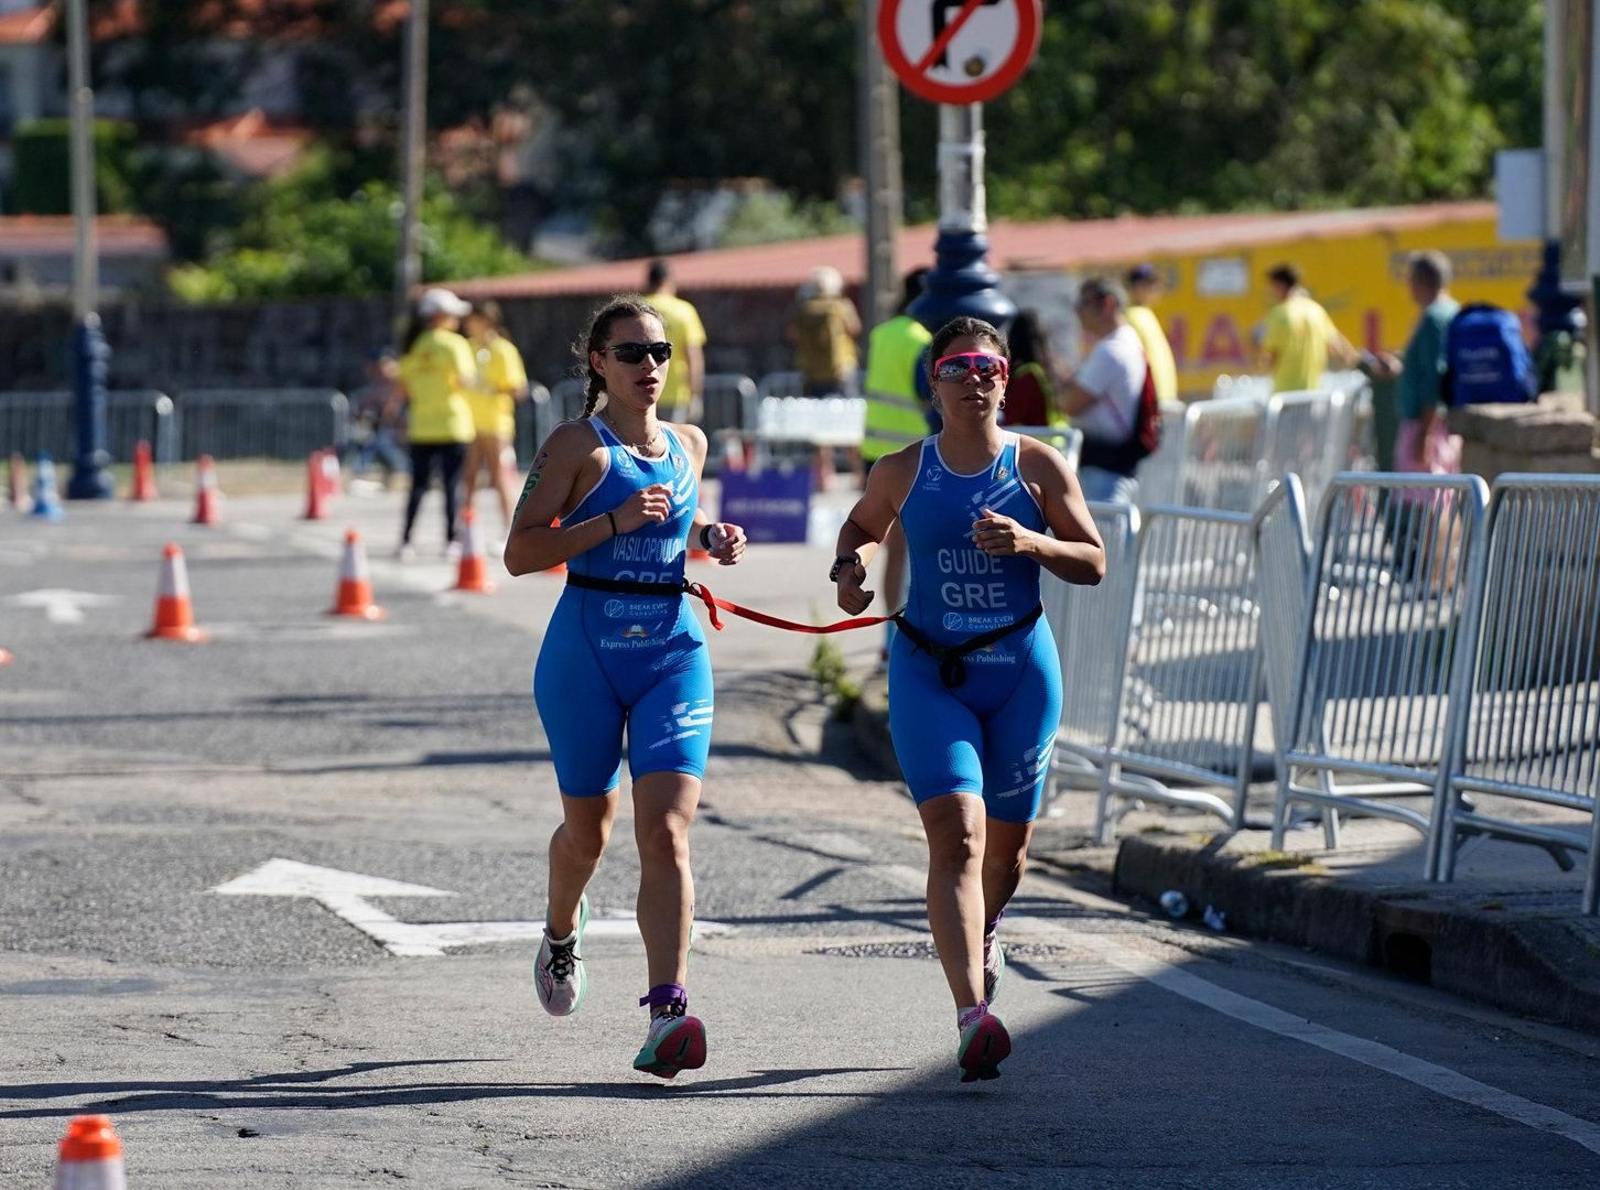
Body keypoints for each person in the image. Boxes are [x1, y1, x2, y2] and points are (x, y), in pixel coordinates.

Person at [831, 316, 1105, 1081]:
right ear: (935, 384)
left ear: (1005, 378)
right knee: (956, 837)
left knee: (1008, 855)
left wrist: (1032, 543)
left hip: (1020, 670)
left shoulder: (1038, 465)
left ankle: (985, 931)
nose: (975, 379)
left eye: (989, 367)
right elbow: (858, 531)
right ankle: (971, 1015)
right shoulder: (903, 468)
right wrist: (849, 571)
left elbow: (1093, 561)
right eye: (959, 367)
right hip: (930, 672)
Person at [503, 295, 747, 1080]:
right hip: (586, 651)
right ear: (598, 363)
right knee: (588, 833)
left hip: (672, 650)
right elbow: (518, 552)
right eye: (633, 352)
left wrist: (707, 535)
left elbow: (680, 513)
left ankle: (667, 1013)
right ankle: (561, 933)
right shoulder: (578, 444)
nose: (650, 367)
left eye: (660, 352)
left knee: (667, 831)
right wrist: (610, 525)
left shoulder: (690, 442)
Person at [393, 288, 478, 560]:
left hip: (421, 426)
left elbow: (404, 390)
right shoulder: (455, 344)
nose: (456, 319)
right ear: (441, 316)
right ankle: (450, 541)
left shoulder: (414, 347)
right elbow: (467, 379)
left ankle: (406, 541)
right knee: (452, 486)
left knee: (417, 485)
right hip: (453, 423)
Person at [1059, 278, 1148, 504]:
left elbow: (1071, 404)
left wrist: (1059, 387)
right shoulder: (1128, 341)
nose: (1078, 311)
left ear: (1107, 304)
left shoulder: (1110, 351)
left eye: (1083, 303)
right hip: (1115, 465)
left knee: (1101, 538)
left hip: (1102, 467)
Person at [462, 300, 530, 532]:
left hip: (496, 423)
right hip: (469, 422)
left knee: (499, 476)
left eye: (472, 320)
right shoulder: (467, 347)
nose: (468, 325)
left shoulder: (503, 349)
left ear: (486, 322)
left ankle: (509, 529)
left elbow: (518, 388)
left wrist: (491, 388)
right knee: (468, 477)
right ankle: (466, 528)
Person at [1258, 263, 1358, 393]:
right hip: (1313, 391)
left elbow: (1270, 357)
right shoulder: (1316, 310)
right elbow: (1336, 347)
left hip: (1285, 393)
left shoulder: (1279, 314)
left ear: (1279, 285)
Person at [642, 260, 708, 424]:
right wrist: (696, 394)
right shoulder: (684, 311)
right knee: (672, 444)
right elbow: (693, 356)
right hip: (675, 392)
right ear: (668, 280)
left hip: (640, 389)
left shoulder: (638, 308)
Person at [787, 266, 862, 396]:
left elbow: (792, 334)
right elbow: (855, 328)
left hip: (810, 370)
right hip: (841, 369)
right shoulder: (842, 306)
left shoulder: (803, 309)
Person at [349, 348, 410, 487]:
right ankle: (360, 472)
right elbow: (362, 410)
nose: (381, 369)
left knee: (384, 444)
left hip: (406, 430)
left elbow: (395, 409)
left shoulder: (403, 382)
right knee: (375, 443)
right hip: (387, 432)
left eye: (385, 364)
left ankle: (404, 471)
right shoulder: (375, 387)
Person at [1124, 264, 1180, 403]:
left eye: (1155, 284)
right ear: (1133, 287)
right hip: (1151, 398)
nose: (1154, 289)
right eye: (1147, 284)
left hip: (1164, 396)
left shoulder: (1145, 313)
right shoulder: (1131, 315)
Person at [1001, 310, 1060, 427]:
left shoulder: (1026, 375)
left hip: (1034, 438)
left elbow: (1012, 417)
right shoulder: (1040, 371)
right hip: (1046, 438)